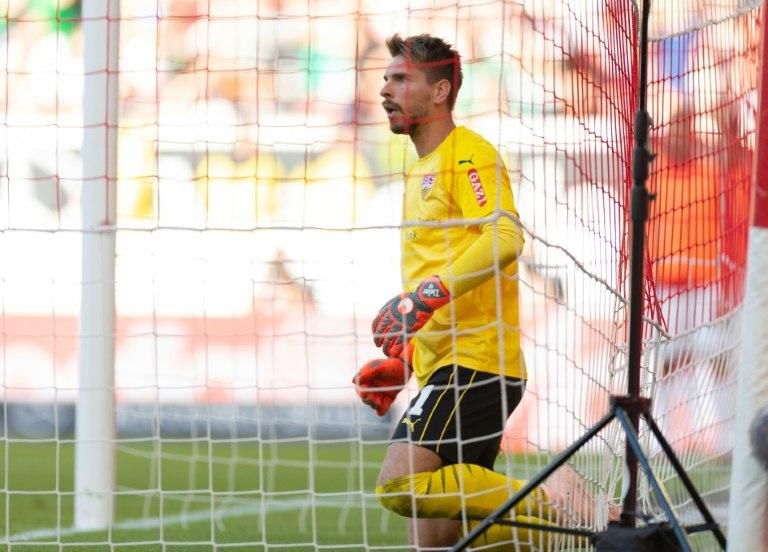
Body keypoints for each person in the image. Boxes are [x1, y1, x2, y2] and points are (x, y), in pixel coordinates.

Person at [352, 33, 557, 551]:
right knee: (441, 541)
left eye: (402, 79)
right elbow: (441, 270)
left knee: (399, 485)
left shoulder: (468, 154)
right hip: (445, 365)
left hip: (476, 364)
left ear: (440, 91)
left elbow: (505, 236)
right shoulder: (418, 169)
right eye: (386, 79)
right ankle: (557, 537)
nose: (385, 90)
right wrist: (406, 362)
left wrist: (425, 296)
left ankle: (557, 501)